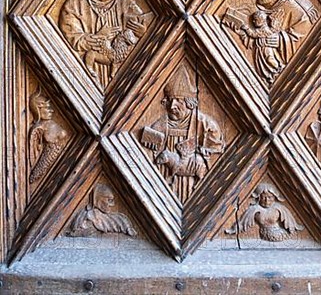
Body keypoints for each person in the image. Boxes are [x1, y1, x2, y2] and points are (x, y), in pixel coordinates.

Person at [141, 65, 225, 201]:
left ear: (189, 102)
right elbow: (147, 151)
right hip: (162, 186)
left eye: (179, 100)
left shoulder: (206, 124)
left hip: (196, 188)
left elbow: (215, 149)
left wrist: (201, 151)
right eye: (169, 99)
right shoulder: (161, 123)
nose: (172, 105)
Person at [59, 0, 149, 88]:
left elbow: (144, 26)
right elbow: (72, 37)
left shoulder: (126, 3)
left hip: (127, 80)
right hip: (81, 82)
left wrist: (143, 33)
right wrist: (99, 37)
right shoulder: (74, 5)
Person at [225, 183, 304, 241]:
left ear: (275, 197)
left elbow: (290, 222)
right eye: (263, 197)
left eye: (270, 197)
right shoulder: (254, 210)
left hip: (281, 234)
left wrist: (294, 228)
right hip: (264, 234)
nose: (267, 200)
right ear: (258, 197)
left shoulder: (279, 208)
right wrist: (233, 230)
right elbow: (243, 222)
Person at [68, 183, 137, 237]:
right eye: (109, 200)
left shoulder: (120, 217)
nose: (112, 205)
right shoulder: (86, 216)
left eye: (112, 200)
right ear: (97, 199)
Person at [29, 89, 67, 184]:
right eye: (47, 107)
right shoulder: (39, 128)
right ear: (37, 110)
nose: (52, 110)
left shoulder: (50, 124)